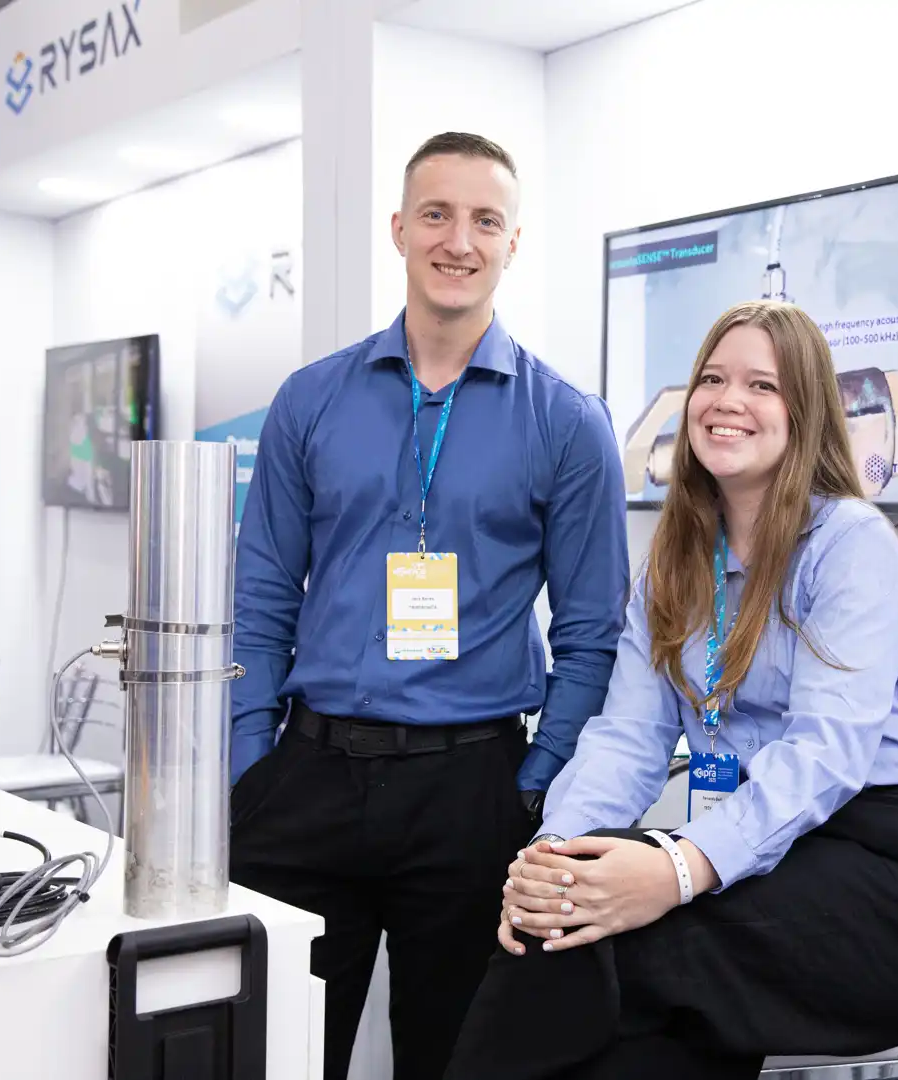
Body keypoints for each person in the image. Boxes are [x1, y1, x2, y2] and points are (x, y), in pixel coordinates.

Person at [444, 300, 898, 1080]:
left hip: (889, 883)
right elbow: (626, 739)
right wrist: (551, 858)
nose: (728, 400)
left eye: (762, 385)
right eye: (712, 379)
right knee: (568, 920)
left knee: (624, 947)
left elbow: (824, 757)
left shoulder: (850, 543)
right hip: (765, 859)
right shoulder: (675, 564)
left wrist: (676, 869)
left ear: (805, 411)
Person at [227, 132, 629, 1080]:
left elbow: (591, 634)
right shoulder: (310, 399)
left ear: (513, 242)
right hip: (307, 778)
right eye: (437, 214)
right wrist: (249, 764)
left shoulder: (568, 422)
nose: (459, 240)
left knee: (455, 1063)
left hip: (471, 793)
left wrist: (535, 784)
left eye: (486, 220)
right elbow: (261, 593)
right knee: (274, 1056)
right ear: (400, 229)